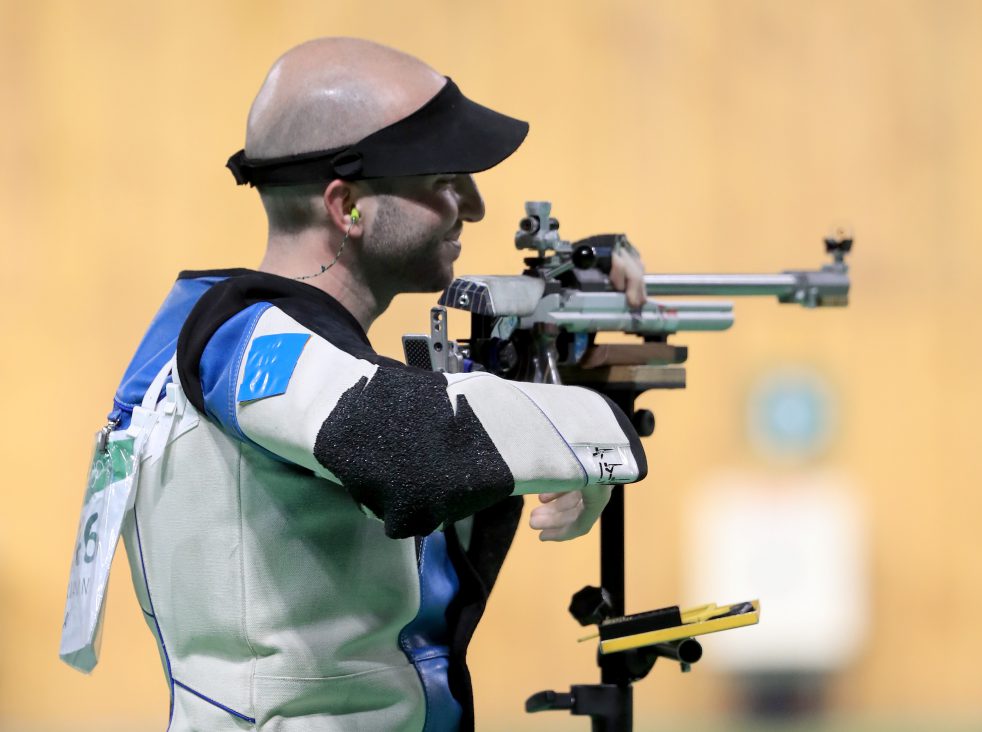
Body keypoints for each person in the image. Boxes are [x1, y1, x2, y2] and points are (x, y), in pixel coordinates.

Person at [113, 37, 648, 731]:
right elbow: (413, 451)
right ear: (348, 208)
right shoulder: (239, 339)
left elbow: (417, 574)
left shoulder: (236, 335)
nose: (475, 206)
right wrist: (596, 428)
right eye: (446, 180)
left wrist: (543, 347)